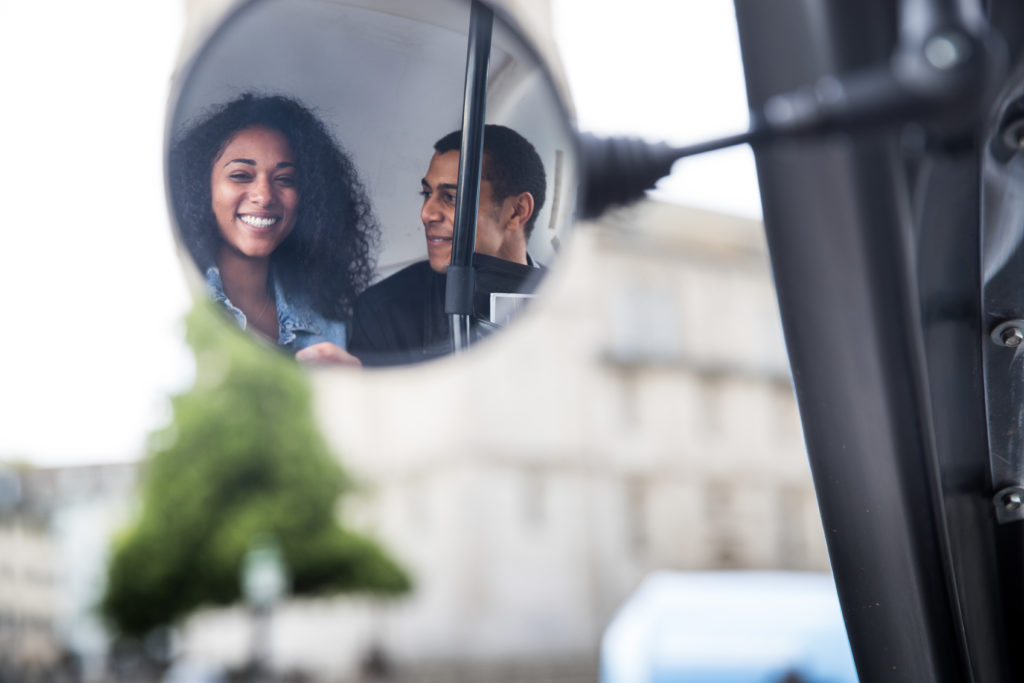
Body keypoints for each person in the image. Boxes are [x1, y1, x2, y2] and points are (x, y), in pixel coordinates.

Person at [169, 93, 379, 365]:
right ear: (200, 188)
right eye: (241, 176)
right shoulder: (176, 300)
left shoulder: (329, 320)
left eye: (284, 179)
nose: (265, 196)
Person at [348, 124, 547, 366]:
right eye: (426, 194)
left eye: (451, 197)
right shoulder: (384, 311)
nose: (426, 213)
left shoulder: (571, 300)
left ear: (517, 211)